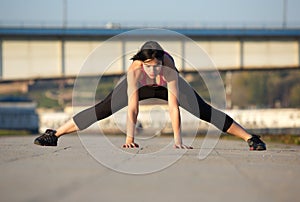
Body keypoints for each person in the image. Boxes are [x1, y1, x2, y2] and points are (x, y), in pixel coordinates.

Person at [34, 41, 266, 150]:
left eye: (156, 66)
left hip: (168, 88)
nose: (153, 71)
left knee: (203, 110)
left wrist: (178, 140)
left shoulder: (169, 70)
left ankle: (250, 138)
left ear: (161, 62)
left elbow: (173, 107)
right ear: (141, 63)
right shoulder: (135, 71)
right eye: (148, 66)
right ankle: (55, 134)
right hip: (140, 88)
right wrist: (129, 138)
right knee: (103, 108)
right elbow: (133, 108)